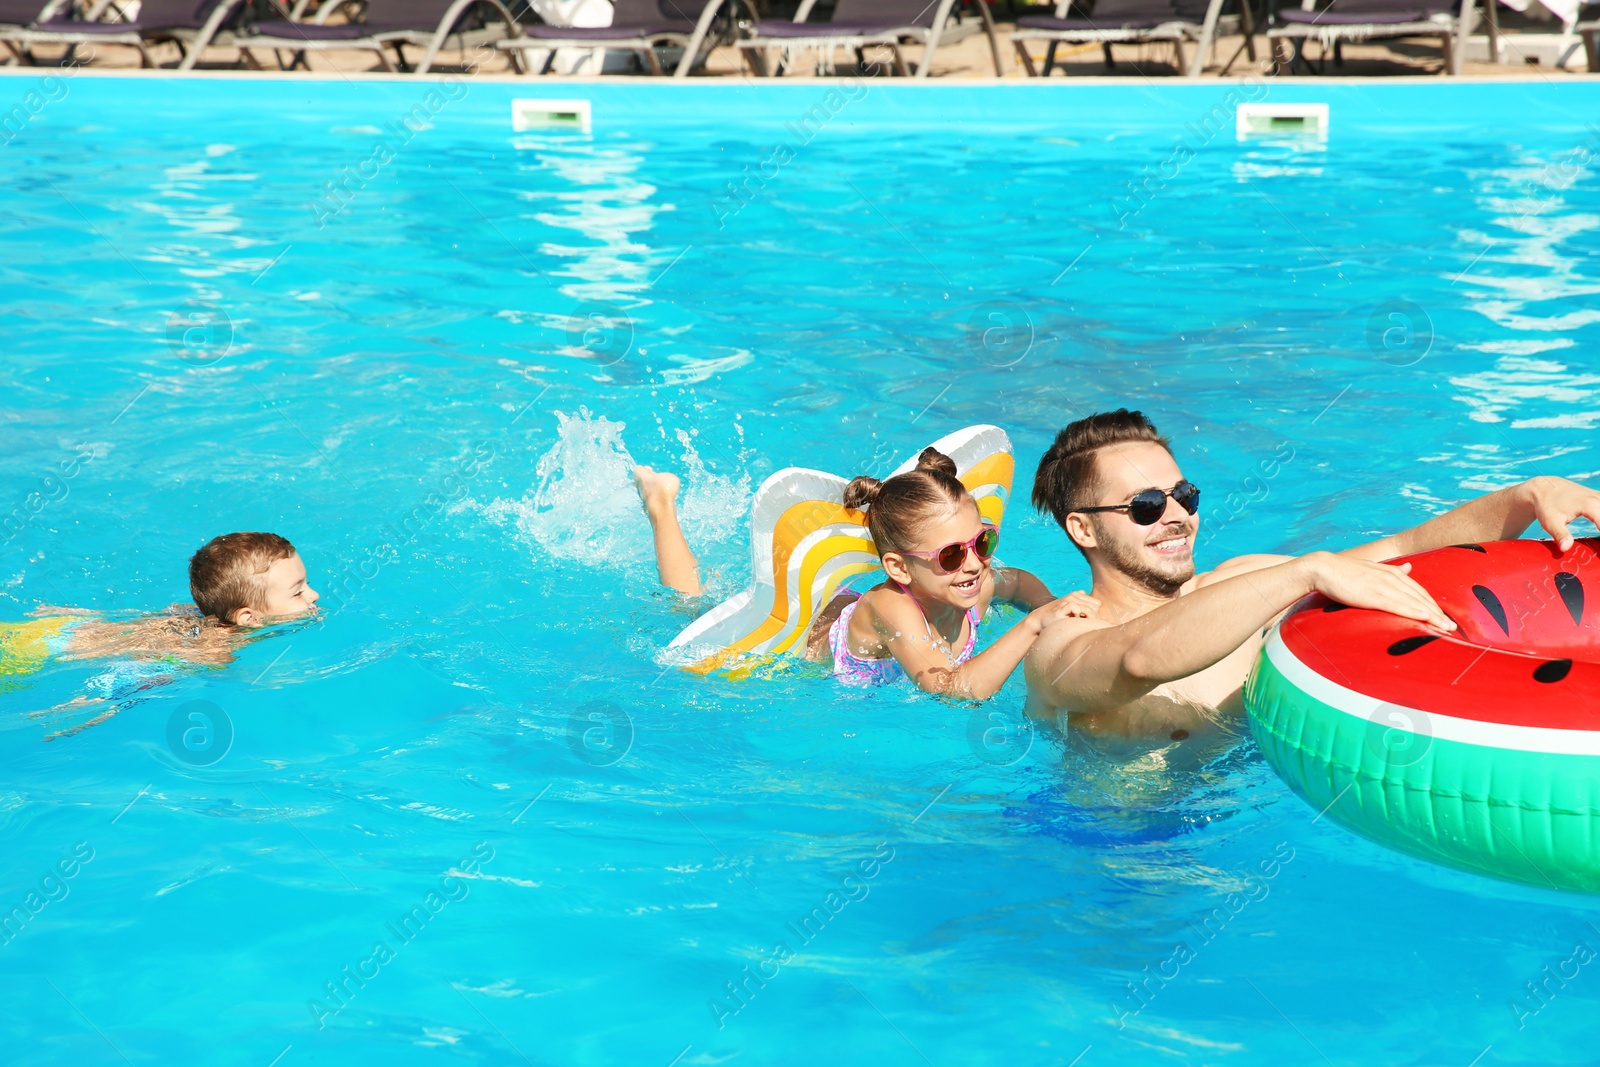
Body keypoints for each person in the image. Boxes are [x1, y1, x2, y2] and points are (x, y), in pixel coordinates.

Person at [1023, 410, 1600, 742]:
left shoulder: (1249, 582)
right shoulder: (1061, 641)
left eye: (1185, 495)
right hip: (1110, 864)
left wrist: (1526, 497)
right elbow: (1139, 659)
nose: (1176, 516)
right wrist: (1310, 569)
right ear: (1083, 530)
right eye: (1146, 505)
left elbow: (1406, 547)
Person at [636, 448, 1097, 699]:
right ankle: (661, 505)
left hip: (842, 602)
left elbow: (1018, 582)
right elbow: (953, 688)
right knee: (691, 607)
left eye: (983, 541)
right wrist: (1036, 625)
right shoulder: (890, 606)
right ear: (898, 566)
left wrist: (1050, 607)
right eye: (952, 555)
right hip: (794, 647)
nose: (975, 563)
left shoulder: (973, 586)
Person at [6, 532, 319, 738]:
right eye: (298, 592)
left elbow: (161, 617)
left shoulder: (198, 613)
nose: (314, 595)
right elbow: (147, 673)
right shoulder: (216, 649)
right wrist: (99, 703)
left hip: (56, 630)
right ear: (248, 618)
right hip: (35, 654)